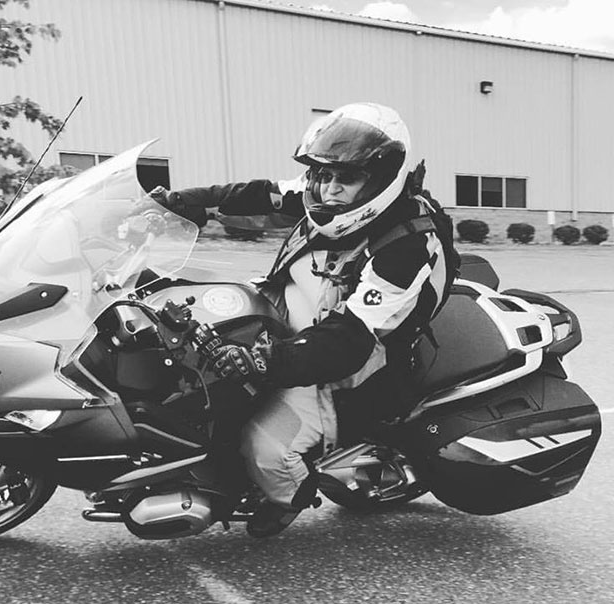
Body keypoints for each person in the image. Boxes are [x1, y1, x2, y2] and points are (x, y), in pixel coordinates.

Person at [150, 102, 459, 537]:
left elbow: (351, 341)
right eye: (322, 175)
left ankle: (286, 499)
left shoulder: (405, 248)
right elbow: (262, 193)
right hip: (289, 314)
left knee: (268, 450)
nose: (328, 189)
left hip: (344, 361)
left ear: (382, 182)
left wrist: (265, 362)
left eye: (346, 178)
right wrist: (182, 202)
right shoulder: (326, 195)